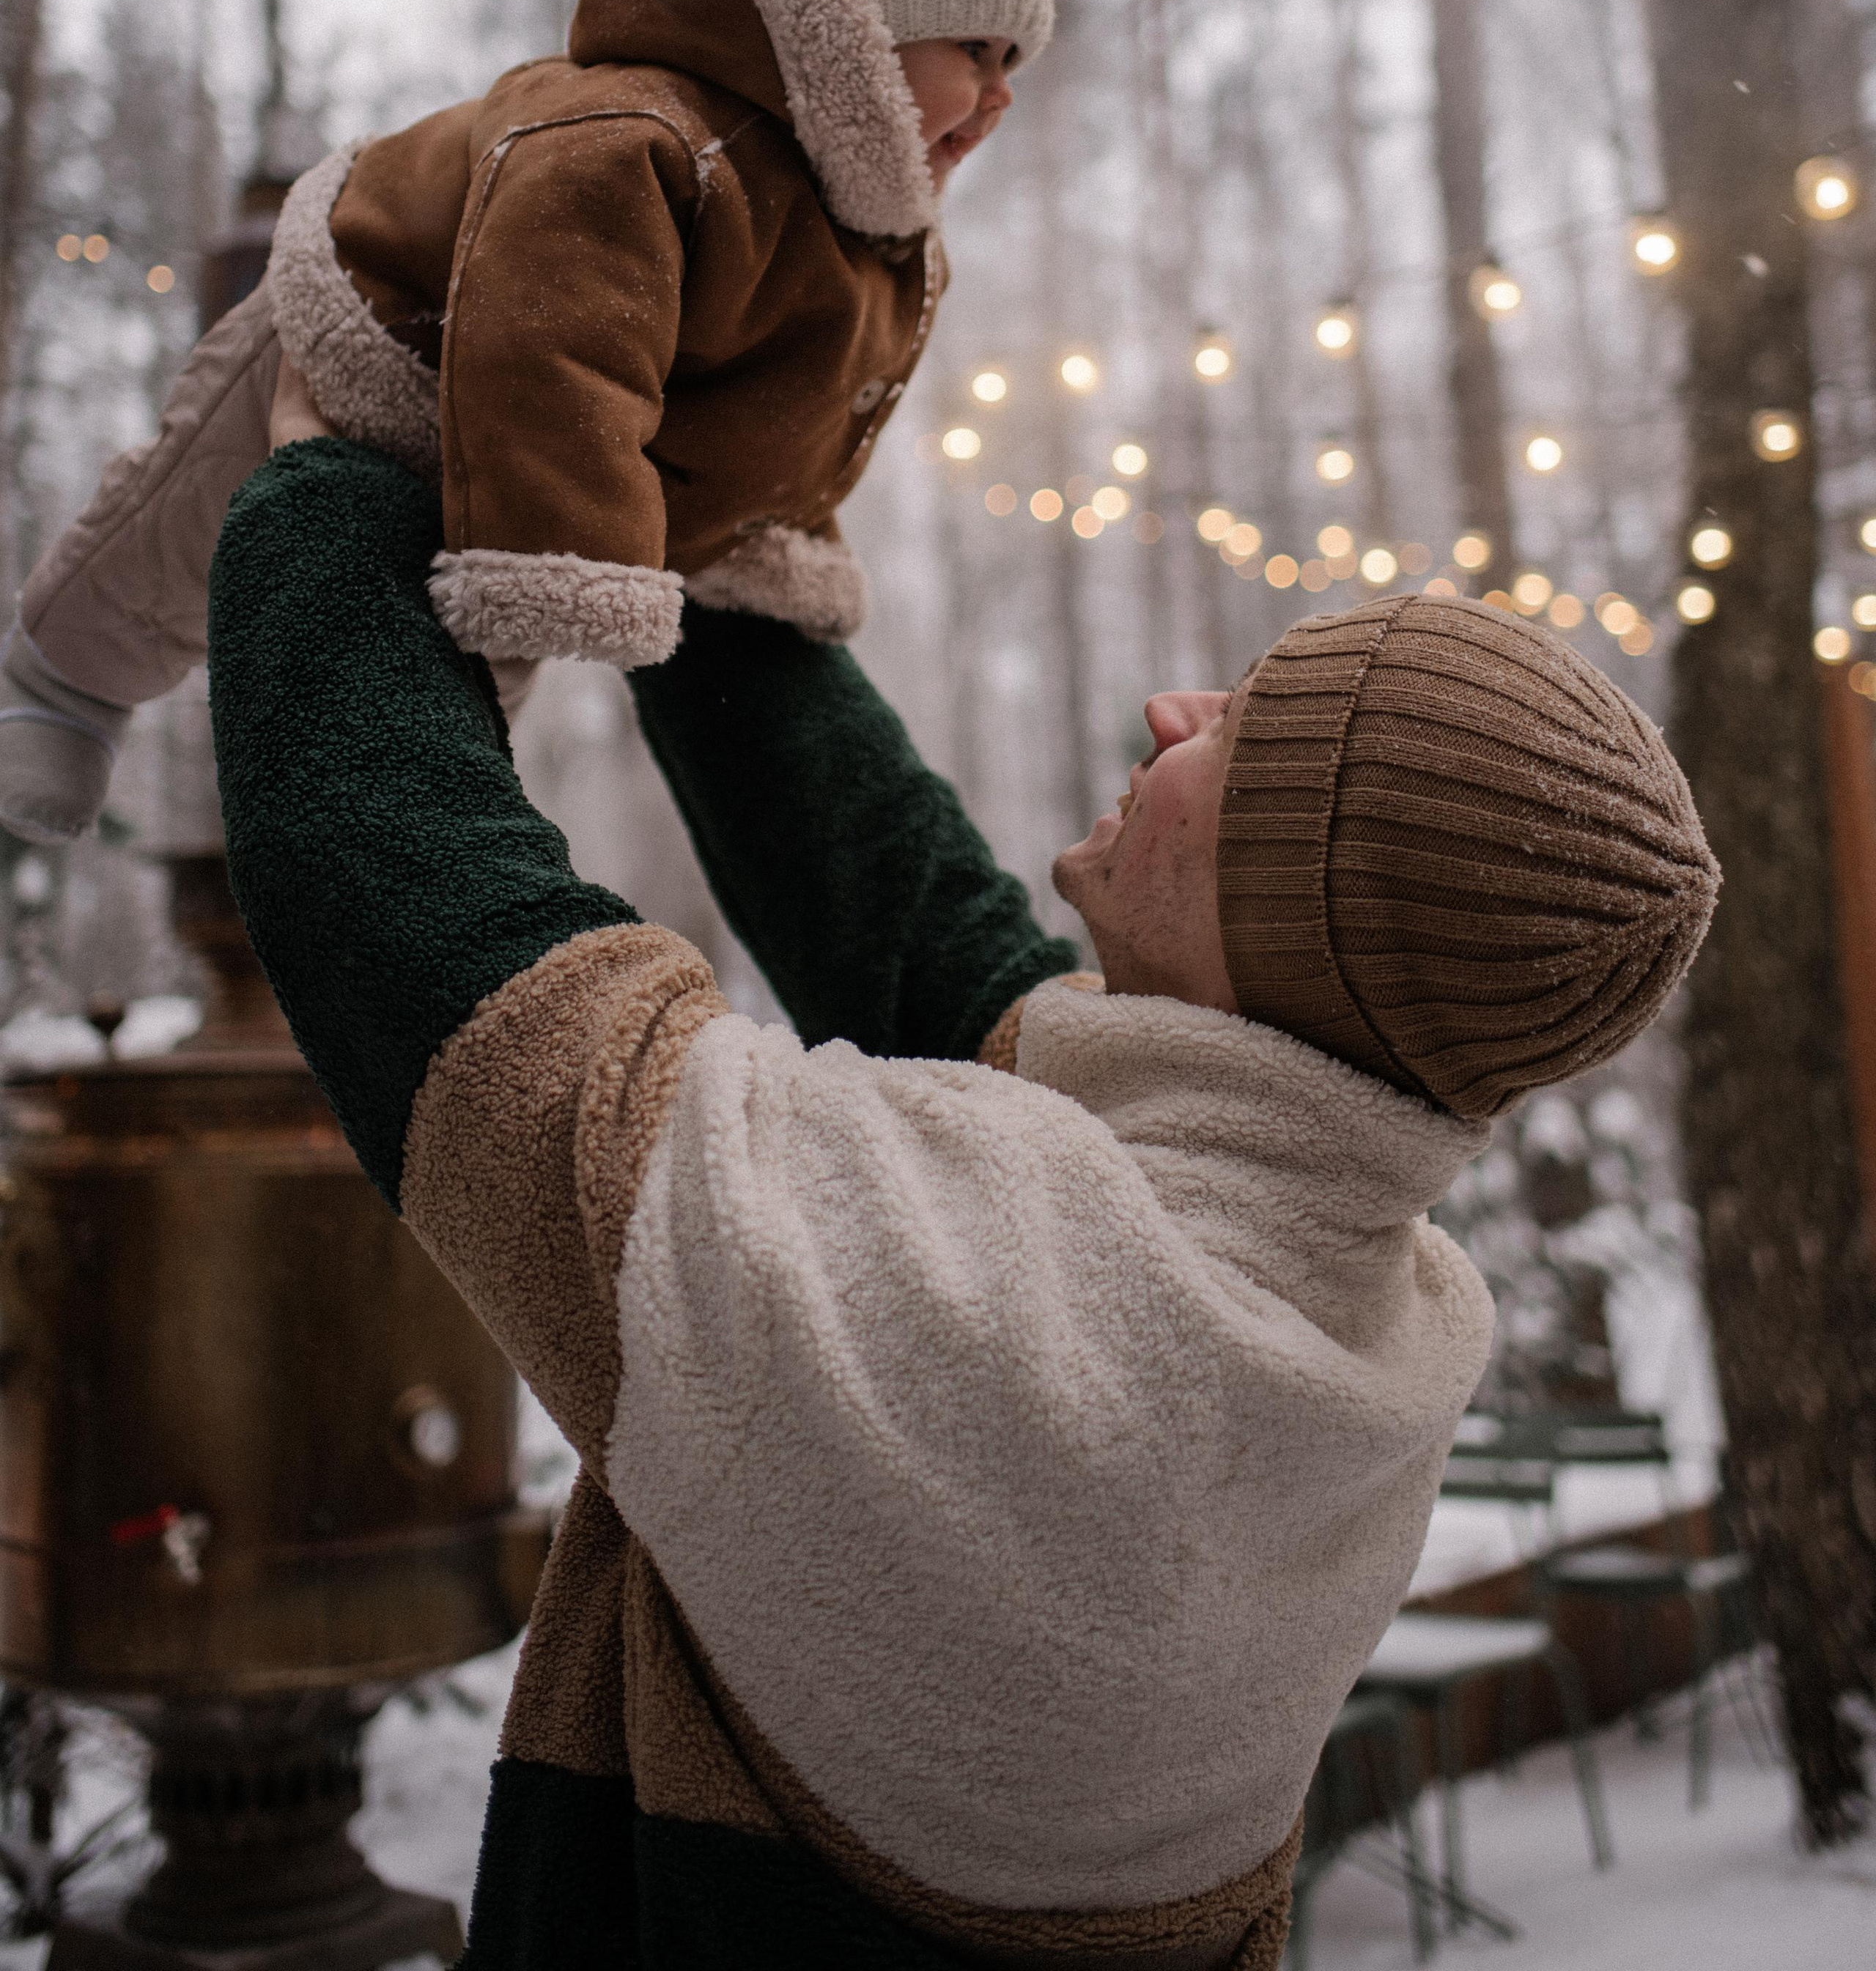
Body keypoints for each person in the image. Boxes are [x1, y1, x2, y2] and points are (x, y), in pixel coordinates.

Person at [205, 380, 1718, 1970]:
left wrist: (353, 440)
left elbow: (417, 921)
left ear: (1290, 906)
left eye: (1243, 732)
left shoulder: (1015, 1353)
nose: (1171, 713)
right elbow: (913, 930)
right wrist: (716, 523)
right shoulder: (1334, 1293)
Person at [0, 0, 1051, 847]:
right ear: (844, 18)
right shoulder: (639, 138)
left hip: (522, 450)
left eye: (1015, 61)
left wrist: (772, 540)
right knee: (177, 515)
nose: (1001, 95)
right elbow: (551, 341)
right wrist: (560, 560)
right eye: (975, 50)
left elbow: (791, 415)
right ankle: (57, 684)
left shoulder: (866, 243)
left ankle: (414, 821)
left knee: (452, 673)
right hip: (382, 321)